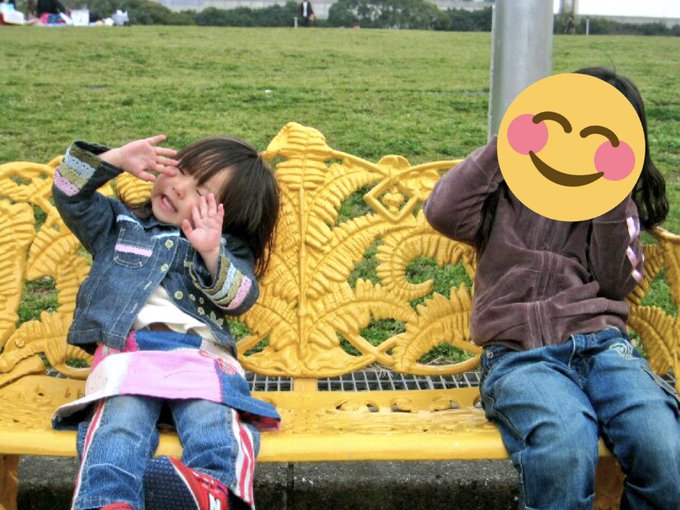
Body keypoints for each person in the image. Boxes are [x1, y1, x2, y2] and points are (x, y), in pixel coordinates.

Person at [424, 67, 680, 509]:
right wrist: (510, 145)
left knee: (664, 449)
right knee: (564, 445)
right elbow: (442, 211)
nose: (579, 145)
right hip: (520, 357)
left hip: (603, 349)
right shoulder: (504, 194)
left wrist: (611, 191)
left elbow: (615, 282)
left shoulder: (617, 210)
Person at [51, 134, 281, 510]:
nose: (178, 187)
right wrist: (115, 158)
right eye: (182, 170)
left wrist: (211, 253)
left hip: (201, 359)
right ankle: (107, 500)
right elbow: (67, 190)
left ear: (227, 218)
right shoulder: (117, 225)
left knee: (214, 422)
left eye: (201, 192)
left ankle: (214, 493)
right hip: (127, 355)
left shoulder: (223, 250)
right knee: (118, 426)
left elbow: (241, 298)